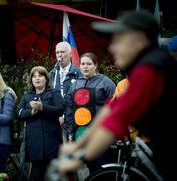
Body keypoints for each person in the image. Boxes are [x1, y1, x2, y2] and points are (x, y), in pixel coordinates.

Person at [56, 10, 177, 180]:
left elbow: (118, 118)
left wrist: (80, 156)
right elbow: (111, 109)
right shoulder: (147, 66)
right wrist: (78, 145)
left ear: (139, 41)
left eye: (119, 41)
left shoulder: (151, 69)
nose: (112, 47)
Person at [65, 52, 115, 172]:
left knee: (103, 168)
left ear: (95, 65)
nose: (85, 66)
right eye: (82, 64)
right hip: (82, 134)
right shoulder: (75, 84)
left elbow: (116, 103)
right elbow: (70, 110)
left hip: (101, 134)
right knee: (91, 168)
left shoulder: (105, 82)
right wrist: (70, 133)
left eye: (88, 64)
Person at [17, 66, 65, 181]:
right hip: (34, 143)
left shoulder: (54, 93)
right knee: (36, 175)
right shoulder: (27, 96)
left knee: (54, 176)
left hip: (52, 142)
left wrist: (43, 107)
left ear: (46, 79)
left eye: (40, 76)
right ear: (31, 80)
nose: (37, 79)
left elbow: (60, 109)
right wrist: (31, 112)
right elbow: (18, 113)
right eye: (34, 76)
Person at [49, 42, 81, 139]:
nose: (60, 55)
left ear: (70, 54)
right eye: (57, 52)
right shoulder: (52, 74)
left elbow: (80, 98)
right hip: (55, 121)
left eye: (62, 52)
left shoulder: (78, 73)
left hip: (73, 120)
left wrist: (65, 117)